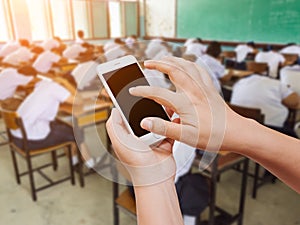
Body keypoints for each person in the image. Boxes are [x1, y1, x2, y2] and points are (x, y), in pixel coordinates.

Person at [106, 56, 300, 225]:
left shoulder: (172, 122)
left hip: (149, 184)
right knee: (197, 187)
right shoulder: (181, 123)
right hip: (178, 183)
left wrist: (151, 177)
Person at [230, 74, 299, 130]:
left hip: (238, 128)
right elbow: (295, 103)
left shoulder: (239, 84)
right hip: (271, 130)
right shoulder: (277, 84)